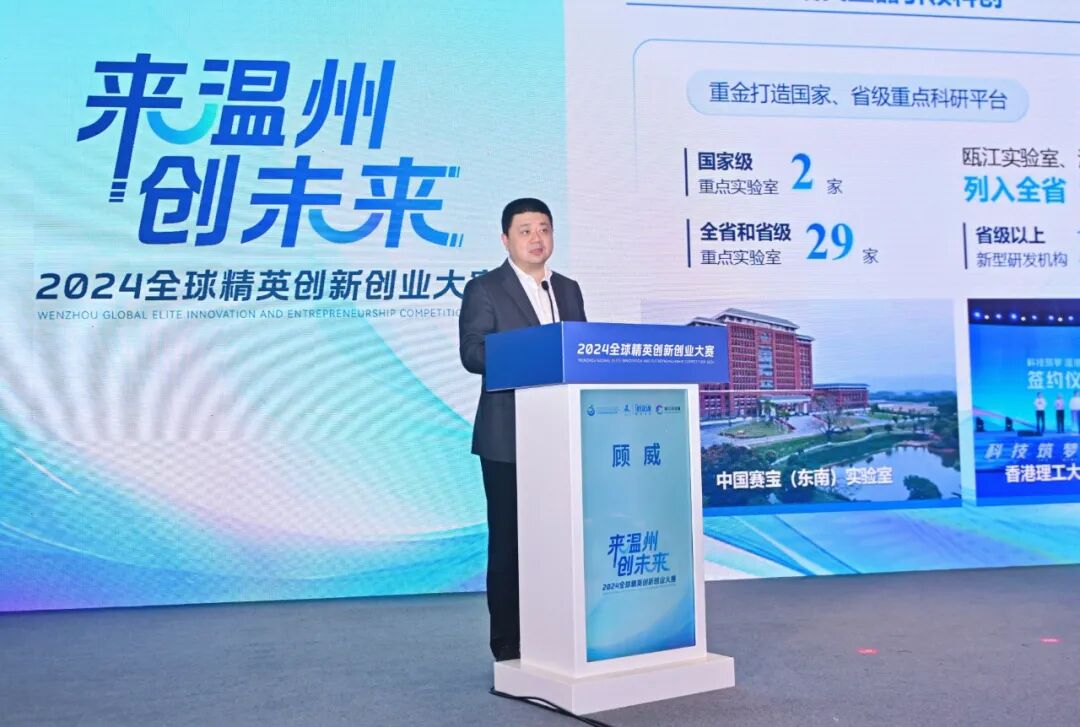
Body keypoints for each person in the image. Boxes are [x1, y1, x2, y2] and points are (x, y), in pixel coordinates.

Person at [458, 198, 587, 662]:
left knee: (559, 539)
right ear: (505, 239)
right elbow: (473, 353)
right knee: (510, 543)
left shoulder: (567, 289)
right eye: (526, 230)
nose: (537, 238)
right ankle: (508, 642)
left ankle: (557, 632)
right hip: (508, 438)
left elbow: (582, 351)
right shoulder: (484, 289)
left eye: (544, 229)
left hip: (562, 435)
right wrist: (534, 353)